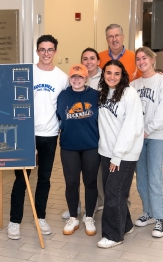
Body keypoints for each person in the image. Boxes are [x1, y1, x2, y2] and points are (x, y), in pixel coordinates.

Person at [7, 34, 69, 240]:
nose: (46, 53)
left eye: (50, 49)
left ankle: (40, 217)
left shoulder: (62, 78)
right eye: (42, 49)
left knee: (44, 178)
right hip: (26, 133)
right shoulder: (26, 72)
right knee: (21, 178)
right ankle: (14, 221)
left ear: (55, 52)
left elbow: (65, 106)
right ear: (37, 51)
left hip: (50, 134)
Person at [97, 60, 143, 248]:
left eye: (116, 73)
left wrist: (117, 155)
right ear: (104, 74)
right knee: (119, 191)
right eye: (108, 72)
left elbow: (131, 127)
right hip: (107, 151)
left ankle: (113, 235)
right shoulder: (102, 92)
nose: (112, 77)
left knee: (112, 193)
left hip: (124, 154)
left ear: (122, 75)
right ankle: (125, 225)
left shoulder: (129, 94)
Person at [130, 46, 163, 238]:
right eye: (138, 59)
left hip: (157, 137)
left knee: (155, 178)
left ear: (152, 59)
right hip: (138, 139)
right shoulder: (134, 85)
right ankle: (148, 212)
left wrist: (146, 131)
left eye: (144, 58)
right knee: (141, 179)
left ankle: (160, 218)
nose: (141, 62)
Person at [56, 64, 100, 236]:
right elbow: (59, 116)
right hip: (69, 147)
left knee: (90, 182)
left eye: (80, 77)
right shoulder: (63, 96)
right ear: (69, 78)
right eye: (73, 77)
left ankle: (89, 216)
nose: (76, 80)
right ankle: (73, 217)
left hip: (91, 146)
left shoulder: (95, 96)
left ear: (86, 78)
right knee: (71, 183)